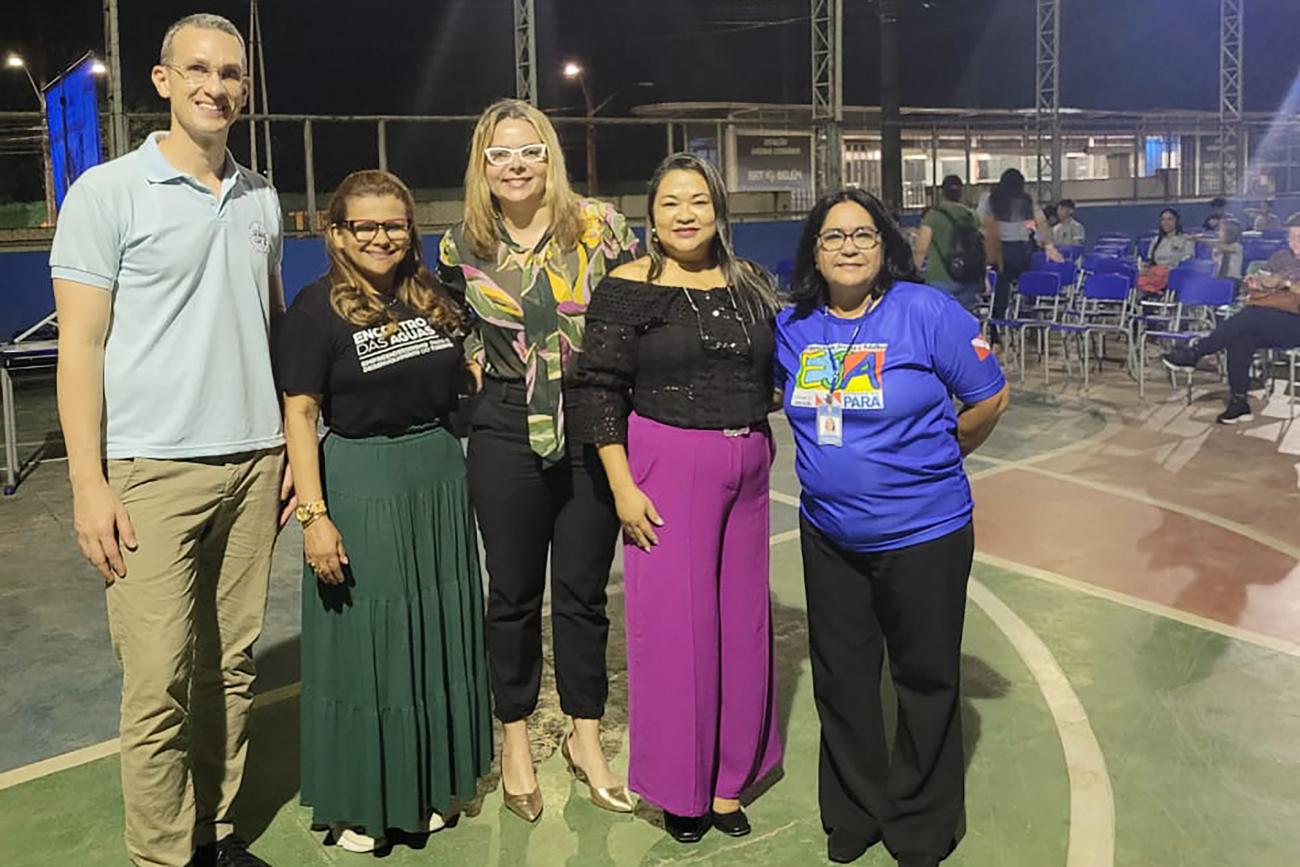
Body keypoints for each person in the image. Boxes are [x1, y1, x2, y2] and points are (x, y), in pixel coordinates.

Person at [49, 14, 285, 867]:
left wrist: (290, 451)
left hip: (256, 464)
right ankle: (161, 855)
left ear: (245, 89)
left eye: (230, 73)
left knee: (230, 668)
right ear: (162, 80)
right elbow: (79, 346)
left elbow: (270, 327)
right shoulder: (106, 193)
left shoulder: (261, 196)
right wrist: (88, 483)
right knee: (158, 683)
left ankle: (213, 833)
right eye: (197, 69)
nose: (214, 86)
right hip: (149, 472)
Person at [775, 188, 1009, 867]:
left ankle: (921, 823)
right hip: (830, 536)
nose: (848, 247)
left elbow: (990, 397)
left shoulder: (928, 312)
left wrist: (940, 455)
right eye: (833, 236)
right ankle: (854, 809)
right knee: (842, 678)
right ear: (814, 251)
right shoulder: (794, 326)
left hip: (925, 534)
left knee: (925, 678)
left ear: (885, 246)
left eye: (863, 235)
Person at [276, 170, 492, 853]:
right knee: (371, 645)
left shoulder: (431, 298)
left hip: (436, 474)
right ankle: (362, 801)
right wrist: (314, 516)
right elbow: (300, 415)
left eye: (393, 224)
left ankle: (428, 785)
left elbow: (466, 371)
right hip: (363, 479)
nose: (380, 237)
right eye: (363, 225)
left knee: (435, 635)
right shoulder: (315, 310)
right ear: (337, 232)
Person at [570, 152, 783, 844]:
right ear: (652, 217)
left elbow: (781, 369)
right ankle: (680, 788)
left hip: (749, 463)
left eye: (698, 201)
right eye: (671, 203)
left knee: (743, 625)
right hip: (667, 463)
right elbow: (598, 389)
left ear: (719, 210)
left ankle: (728, 781)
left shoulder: (752, 284)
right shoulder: (629, 286)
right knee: (675, 632)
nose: (686, 214)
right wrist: (623, 486)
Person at [437, 98, 639, 822]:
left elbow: (638, 312)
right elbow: (456, 324)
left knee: (582, 594)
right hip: (504, 425)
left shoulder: (601, 226)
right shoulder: (461, 243)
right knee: (513, 595)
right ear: (482, 166)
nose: (515, 165)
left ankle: (587, 736)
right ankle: (517, 737)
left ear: (549, 157)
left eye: (529, 151)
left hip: (589, 422)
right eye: (500, 154)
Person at [1164, 214, 1300, 424]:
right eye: (1291, 237)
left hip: (1295, 324)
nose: (1293, 243)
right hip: (1270, 316)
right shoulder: (1281, 257)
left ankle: (1196, 352)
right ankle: (1239, 402)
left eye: (1298, 238)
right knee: (1240, 337)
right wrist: (1257, 283)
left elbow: (1284, 286)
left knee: (1250, 316)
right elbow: (1265, 280)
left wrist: (1285, 283)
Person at [977, 168, 1063, 345]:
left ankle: (996, 333)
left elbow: (980, 222)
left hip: (1000, 251)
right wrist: (1049, 245)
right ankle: (1029, 324)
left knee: (1000, 291)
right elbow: (1041, 222)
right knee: (1027, 287)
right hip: (1022, 251)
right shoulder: (1027, 200)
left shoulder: (990, 198)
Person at [912, 175, 984, 312]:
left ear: (942, 192)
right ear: (961, 193)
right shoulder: (972, 215)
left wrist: (913, 272)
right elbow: (981, 246)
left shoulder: (933, 216)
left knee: (939, 318)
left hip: (940, 277)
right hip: (969, 276)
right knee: (964, 317)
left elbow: (921, 249)